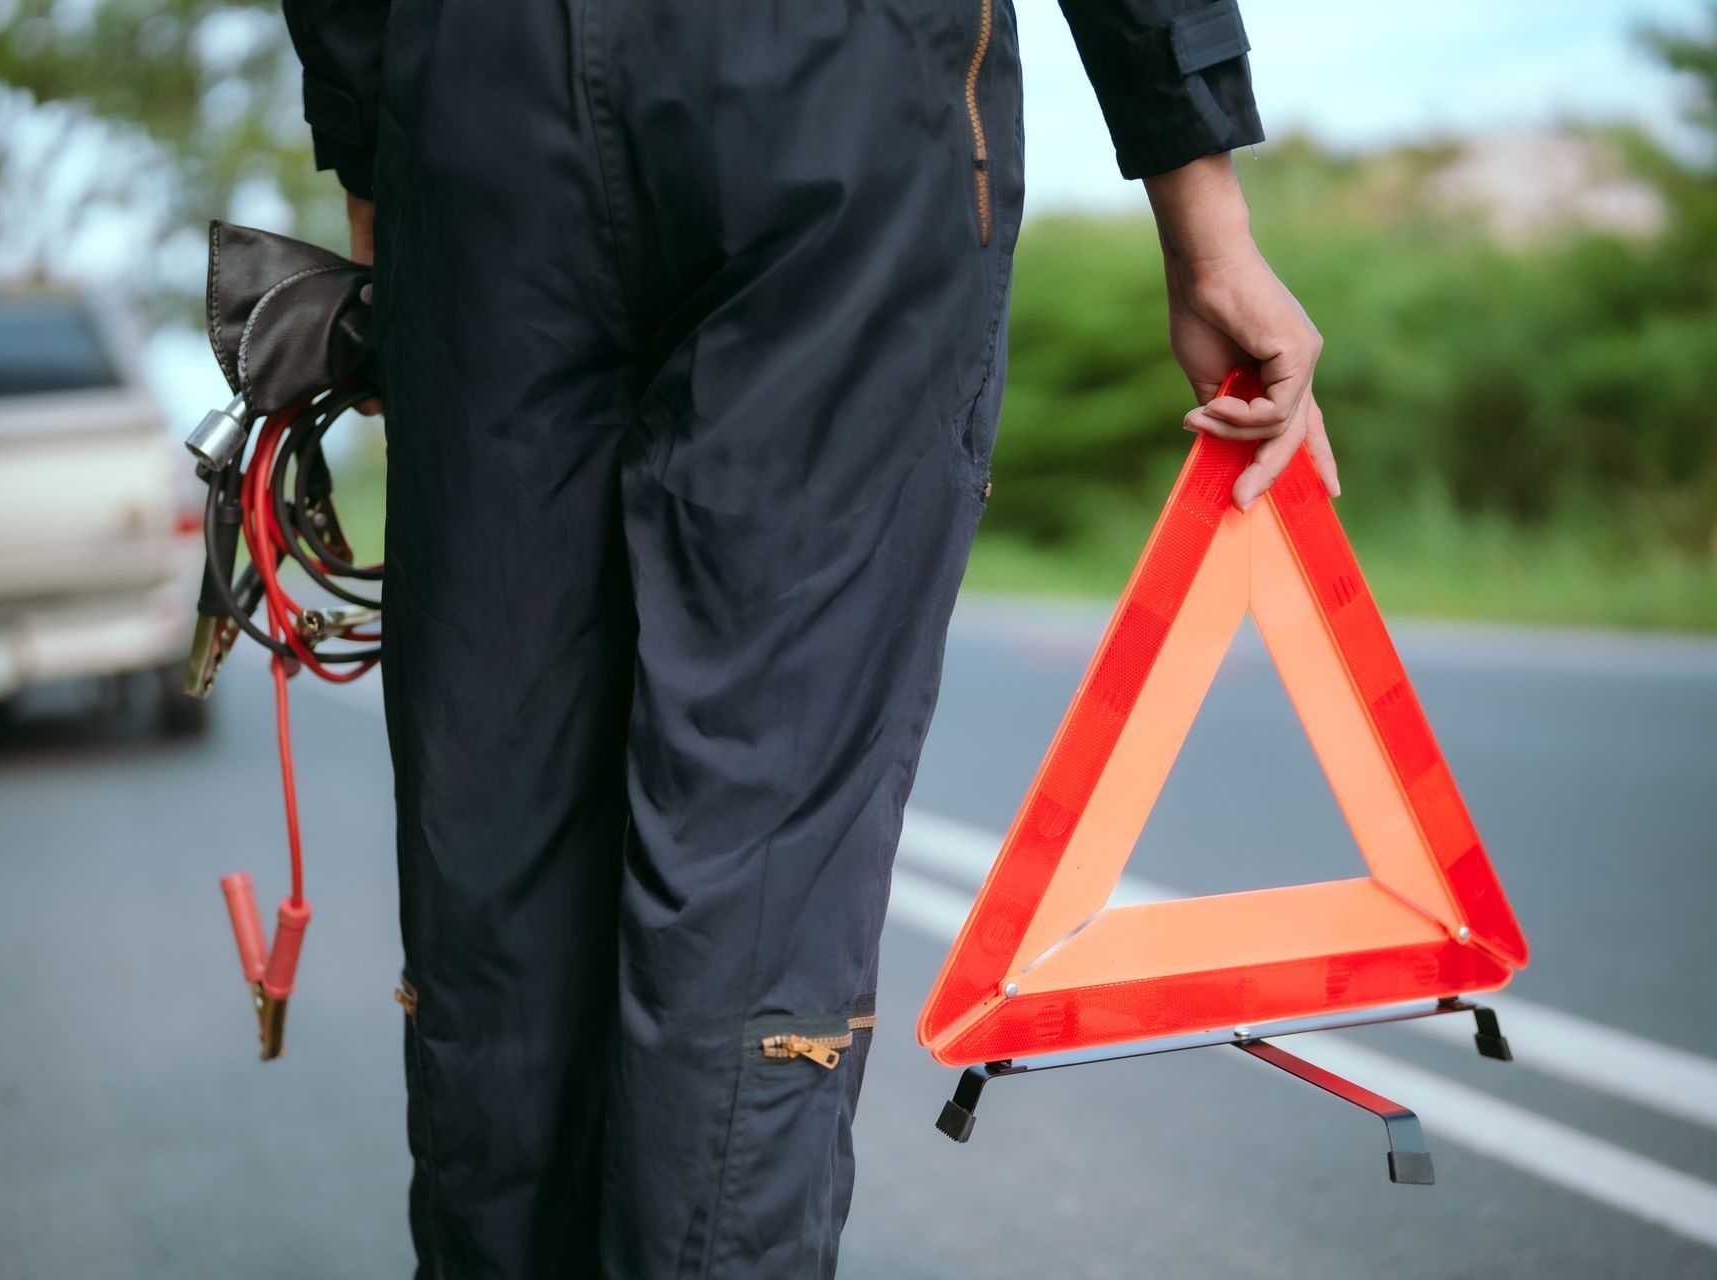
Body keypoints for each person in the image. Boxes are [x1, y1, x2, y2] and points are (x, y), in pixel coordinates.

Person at [280, 1, 1335, 1275]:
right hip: (831, 89)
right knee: (755, 861)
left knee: (498, 855)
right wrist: (1205, 218)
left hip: (477, 107)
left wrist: (380, 174)